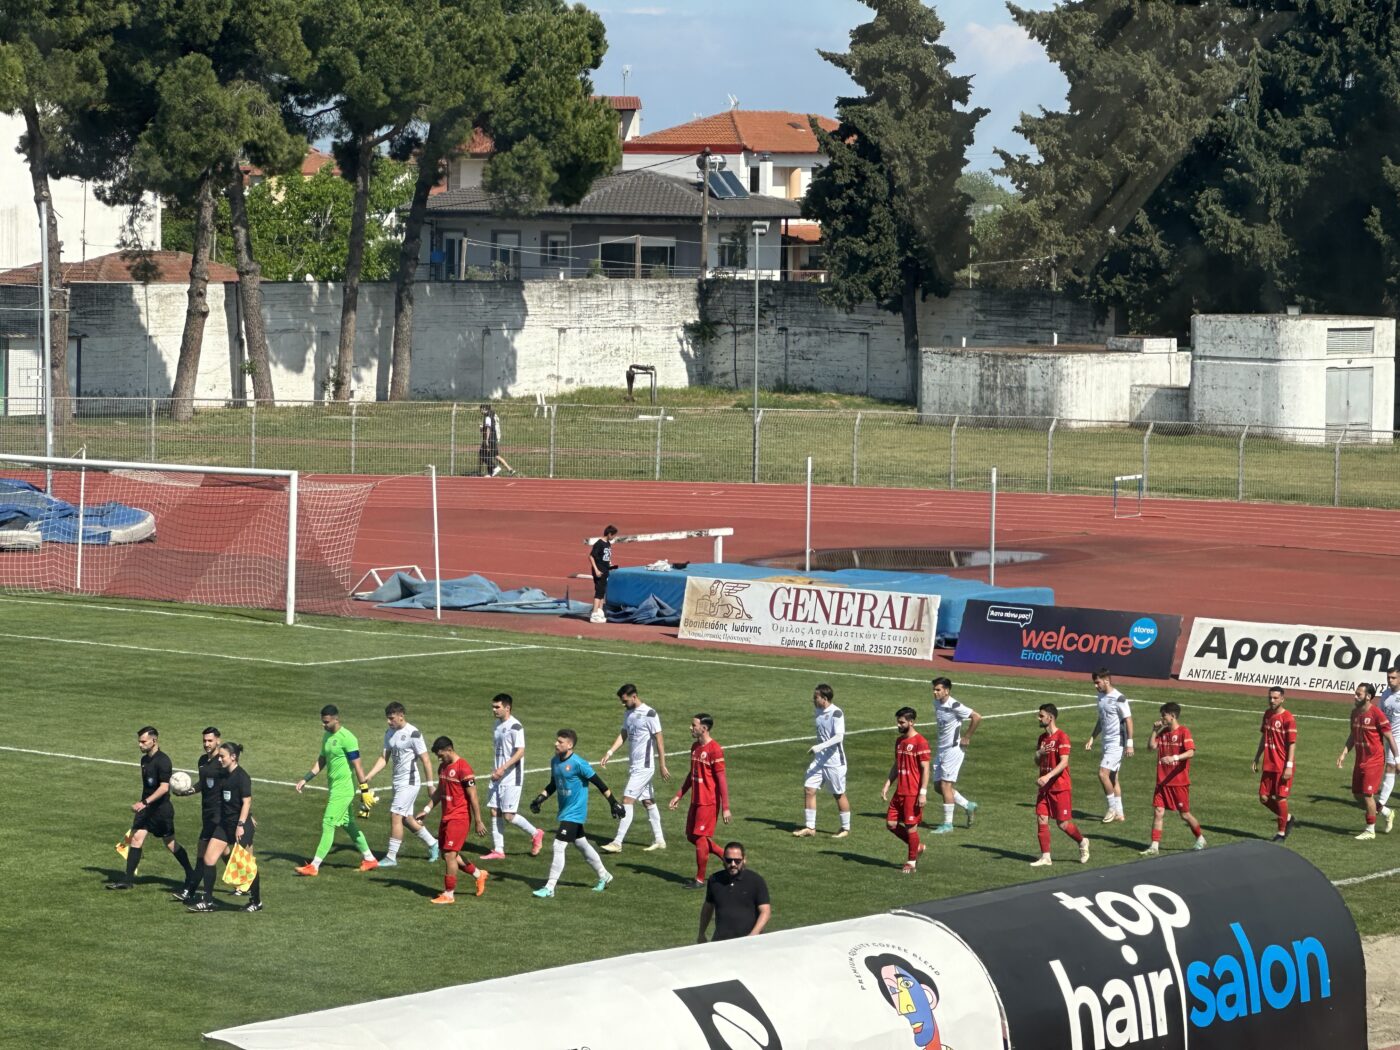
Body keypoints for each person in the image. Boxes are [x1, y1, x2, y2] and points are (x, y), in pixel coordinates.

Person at [528, 729, 624, 898]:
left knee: (558, 845)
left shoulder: (579, 763)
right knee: (582, 844)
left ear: (570, 745)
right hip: (565, 811)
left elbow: (599, 784)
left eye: (560, 742)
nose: (556, 744)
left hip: (575, 812)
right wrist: (540, 799)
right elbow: (553, 784)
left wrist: (613, 803)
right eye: (556, 741)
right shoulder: (554, 761)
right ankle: (604, 875)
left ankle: (550, 887)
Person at [106, 726, 196, 891]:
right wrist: (145, 805)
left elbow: (164, 788)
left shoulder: (163, 761)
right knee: (136, 839)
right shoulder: (144, 760)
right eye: (139, 741)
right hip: (146, 809)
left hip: (161, 810)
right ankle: (127, 880)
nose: (140, 745)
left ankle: (191, 873)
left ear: (154, 740)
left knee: (170, 843)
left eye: (143, 741)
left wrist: (144, 803)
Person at [293, 705, 379, 875]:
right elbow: (322, 760)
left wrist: (364, 791)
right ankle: (370, 859)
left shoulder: (348, 738)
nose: (323, 725)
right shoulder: (326, 736)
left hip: (344, 790)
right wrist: (306, 778)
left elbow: (358, 766)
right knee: (348, 824)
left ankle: (314, 866)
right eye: (322, 722)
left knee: (328, 823)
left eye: (326, 722)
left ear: (336, 719)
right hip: (334, 788)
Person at [361, 702, 440, 867]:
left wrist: (430, 784)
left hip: (409, 782)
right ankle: (433, 843)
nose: (388, 722)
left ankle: (391, 857)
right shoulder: (389, 733)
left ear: (401, 716)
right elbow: (384, 758)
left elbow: (426, 759)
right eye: (387, 718)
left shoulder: (414, 734)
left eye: (391, 718)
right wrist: (369, 776)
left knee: (395, 815)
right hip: (397, 782)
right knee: (406, 819)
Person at [187, 742, 261, 913]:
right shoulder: (222, 774)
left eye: (222, 756)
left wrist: (242, 824)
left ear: (233, 757)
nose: (219, 759)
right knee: (209, 859)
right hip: (224, 824)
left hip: (240, 826)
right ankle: (208, 901)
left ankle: (256, 901)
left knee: (245, 865)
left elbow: (246, 801)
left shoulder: (242, 777)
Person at [417, 736, 489, 903]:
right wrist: (426, 809)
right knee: (447, 854)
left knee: (450, 855)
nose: (439, 759)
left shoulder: (464, 768)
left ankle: (449, 894)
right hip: (446, 817)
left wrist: (478, 821)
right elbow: (440, 791)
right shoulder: (443, 767)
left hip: (459, 818)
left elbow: (473, 796)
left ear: (449, 749)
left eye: (441, 755)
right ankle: (479, 874)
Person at [599, 683, 670, 853]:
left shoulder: (650, 714)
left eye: (625, 701)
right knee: (648, 801)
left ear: (634, 696)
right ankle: (659, 840)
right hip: (635, 766)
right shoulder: (628, 713)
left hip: (644, 767)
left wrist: (662, 765)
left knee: (627, 801)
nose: (623, 704)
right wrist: (610, 752)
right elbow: (624, 734)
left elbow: (659, 741)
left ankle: (617, 842)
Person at [669, 714, 732, 888]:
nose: (690, 728)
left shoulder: (715, 750)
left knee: (700, 838)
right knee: (691, 836)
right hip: (696, 800)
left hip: (708, 802)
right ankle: (726, 856)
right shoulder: (695, 747)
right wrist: (679, 795)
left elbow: (721, 780)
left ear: (703, 728)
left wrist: (725, 807)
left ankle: (699, 879)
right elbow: (693, 774)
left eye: (693, 725)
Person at [483, 693, 545, 859]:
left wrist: (503, 768)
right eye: (493, 707)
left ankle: (536, 833)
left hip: (511, 776)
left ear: (507, 708)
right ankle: (499, 850)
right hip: (497, 775)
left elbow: (520, 752)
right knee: (494, 810)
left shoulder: (516, 727)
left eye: (497, 707)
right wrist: (496, 769)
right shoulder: (497, 725)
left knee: (508, 815)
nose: (494, 710)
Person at [1141, 703, 1206, 855]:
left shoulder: (1184, 732)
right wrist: (1154, 730)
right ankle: (1154, 846)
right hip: (1162, 782)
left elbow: (1191, 752)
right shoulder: (1163, 732)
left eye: (1163, 715)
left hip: (1178, 782)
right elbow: (1151, 747)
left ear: (1173, 716)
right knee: (1158, 812)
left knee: (1184, 814)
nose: (1161, 718)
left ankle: (1200, 838)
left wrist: (1174, 758)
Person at [1030, 704, 1090, 867]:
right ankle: (1046, 857)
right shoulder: (1042, 739)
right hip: (1045, 788)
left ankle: (1082, 841)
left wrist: (1047, 776)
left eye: (1041, 715)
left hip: (1060, 787)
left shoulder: (1062, 737)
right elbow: (1037, 762)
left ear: (1050, 718)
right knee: (1041, 818)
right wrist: (1039, 753)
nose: (1038, 718)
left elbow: (1064, 763)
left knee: (1062, 823)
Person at [1337, 682, 1397, 840]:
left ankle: (1370, 830)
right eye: (1355, 693)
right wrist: (1344, 753)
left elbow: (1390, 737)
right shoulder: (1354, 713)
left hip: (1374, 760)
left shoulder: (1377, 714)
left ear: (1368, 696)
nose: (1355, 696)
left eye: (1359, 694)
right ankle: (1386, 812)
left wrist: (1397, 759)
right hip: (1360, 760)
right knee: (1357, 795)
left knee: (1367, 795)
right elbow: (1353, 734)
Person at [172, 727, 225, 903]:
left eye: (210, 740)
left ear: (218, 740)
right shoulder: (202, 760)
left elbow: (233, 787)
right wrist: (188, 791)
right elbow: (203, 784)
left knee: (203, 853)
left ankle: (190, 890)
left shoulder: (222, 762)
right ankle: (246, 880)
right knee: (224, 852)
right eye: (204, 741)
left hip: (219, 814)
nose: (206, 744)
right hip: (207, 812)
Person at [793, 684, 852, 839]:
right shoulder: (818, 711)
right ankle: (810, 827)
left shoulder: (836, 713)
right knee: (809, 788)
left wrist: (819, 747)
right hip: (819, 760)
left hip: (834, 762)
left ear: (824, 699)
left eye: (816, 697)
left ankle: (845, 828)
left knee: (838, 794)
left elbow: (839, 737)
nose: (813, 700)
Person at [880, 707, 931, 874]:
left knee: (910, 827)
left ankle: (911, 862)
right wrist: (887, 784)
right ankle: (918, 847)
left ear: (911, 722)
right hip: (899, 791)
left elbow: (925, 768)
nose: (898, 725)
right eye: (898, 722)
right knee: (891, 824)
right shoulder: (899, 741)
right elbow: (897, 764)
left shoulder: (920, 742)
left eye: (902, 722)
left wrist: (922, 793)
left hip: (913, 793)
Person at [928, 677, 980, 834]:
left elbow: (976, 717)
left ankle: (948, 824)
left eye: (938, 689)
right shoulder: (936, 703)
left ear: (947, 691)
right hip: (941, 749)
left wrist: (967, 737)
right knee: (938, 787)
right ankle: (967, 805)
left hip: (953, 749)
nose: (935, 692)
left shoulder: (954, 705)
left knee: (945, 786)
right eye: (934, 689)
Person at [1085, 669, 1134, 823]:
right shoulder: (1100, 697)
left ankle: (1111, 808)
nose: (1095, 686)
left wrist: (1129, 744)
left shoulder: (1119, 698)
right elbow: (1102, 719)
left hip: (1117, 742)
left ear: (1106, 680)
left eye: (1097, 682)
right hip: (1106, 742)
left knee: (1102, 774)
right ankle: (1120, 813)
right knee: (1112, 777)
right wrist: (1092, 737)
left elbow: (1128, 720)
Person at [697, 842, 770, 943]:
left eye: (737, 861)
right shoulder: (714, 880)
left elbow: (765, 911)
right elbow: (708, 907)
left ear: (744, 859)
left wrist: (752, 936)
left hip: (749, 942)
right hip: (721, 942)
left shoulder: (755, 881)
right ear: (723, 859)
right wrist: (701, 933)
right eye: (729, 860)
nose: (733, 864)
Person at [1252, 686, 1297, 841]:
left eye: (1275, 698)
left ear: (1282, 699)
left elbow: (1292, 744)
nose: (1272, 700)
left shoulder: (1288, 718)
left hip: (1282, 765)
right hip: (1269, 764)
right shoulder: (1267, 714)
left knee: (1280, 798)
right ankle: (1288, 817)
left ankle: (1281, 833)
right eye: (1270, 697)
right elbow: (1264, 737)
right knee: (1263, 797)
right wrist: (1257, 757)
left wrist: (1289, 766)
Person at [1375, 665, 1400, 832]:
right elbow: (1379, 715)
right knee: (1393, 768)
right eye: (1388, 677)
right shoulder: (1385, 694)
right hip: (1388, 737)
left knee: (1391, 766)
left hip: (1398, 738)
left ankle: (1381, 803)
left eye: (1393, 678)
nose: (1390, 680)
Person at [588, 525, 619, 624]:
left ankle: (600, 612)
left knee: (602, 592)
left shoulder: (608, 544)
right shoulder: (599, 544)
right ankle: (594, 614)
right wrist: (596, 570)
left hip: (605, 570)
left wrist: (610, 565)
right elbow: (591, 556)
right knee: (599, 592)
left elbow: (606, 557)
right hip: (599, 570)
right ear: (609, 534)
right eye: (613, 535)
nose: (614, 537)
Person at [478, 403, 516, 477]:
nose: (480, 411)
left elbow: (488, 428)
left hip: (490, 438)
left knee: (483, 454)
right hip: (494, 437)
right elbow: (491, 426)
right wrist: (483, 429)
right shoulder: (493, 414)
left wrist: (486, 439)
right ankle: (509, 469)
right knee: (495, 455)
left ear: (484, 409)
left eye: (481, 409)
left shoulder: (488, 417)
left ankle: (494, 467)